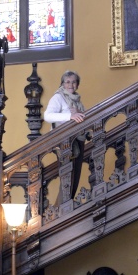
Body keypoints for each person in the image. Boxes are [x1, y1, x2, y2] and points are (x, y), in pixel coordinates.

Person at [43, 70, 87, 201]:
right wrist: (70, 116)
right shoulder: (58, 97)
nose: (71, 85)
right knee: (67, 177)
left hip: (77, 139)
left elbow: (82, 117)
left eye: (74, 82)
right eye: (67, 82)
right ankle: (62, 208)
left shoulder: (77, 100)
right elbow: (48, 116)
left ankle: (68, 205)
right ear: (62, 84)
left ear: (77, 85)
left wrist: (79, 112)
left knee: (75, 176)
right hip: (64, 142)